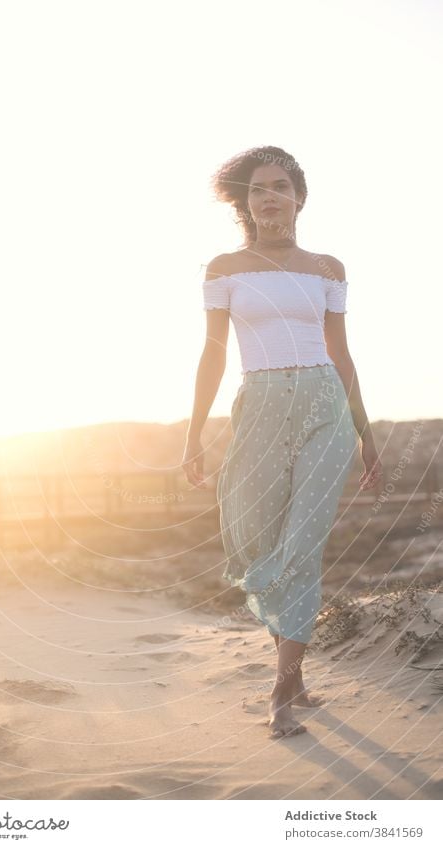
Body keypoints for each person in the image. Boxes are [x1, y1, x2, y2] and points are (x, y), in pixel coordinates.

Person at [182, 145, 383, 739]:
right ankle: (293, 675)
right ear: (245, 204)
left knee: (302, 543)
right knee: (251, 538)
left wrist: (367, 437)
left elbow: (342, 355)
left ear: (298, 196)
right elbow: (213, 354)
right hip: (260, 405)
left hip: (325, 405)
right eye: (257, 189)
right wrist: (193, 433)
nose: (268, 196)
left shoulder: (327, 268)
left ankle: (281, 686)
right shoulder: (224, 268)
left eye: (279, 186)